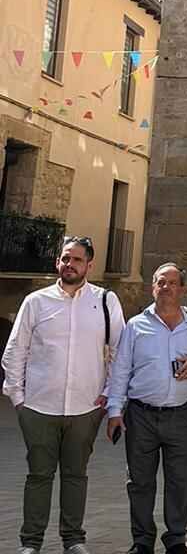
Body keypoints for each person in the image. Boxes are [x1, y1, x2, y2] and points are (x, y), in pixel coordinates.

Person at [3, 235, 125, 554]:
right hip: (38, 407)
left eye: (77, 259)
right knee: (39, 475)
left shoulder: (106, 301)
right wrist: (18, 397)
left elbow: (119, 352)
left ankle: (73, 539)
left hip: (86, 408)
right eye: (65, 258)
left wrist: (110, 394)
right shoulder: (36, 301)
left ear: (89, 265)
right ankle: (31, 543)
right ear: (58, 261)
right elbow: (15, 350)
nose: (69, 264)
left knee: (76, 475)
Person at [105, 263, 187, 554]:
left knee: (180, 481)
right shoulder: (136, 325)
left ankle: (176, 539)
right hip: (141, 415)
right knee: (139, 481)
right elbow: (121, 370)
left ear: (183, 289)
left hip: (182, 414)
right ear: (153, 287)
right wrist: (114, 412)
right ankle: (142, 541)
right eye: (160, 282)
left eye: (172, 283)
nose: (166, 287)